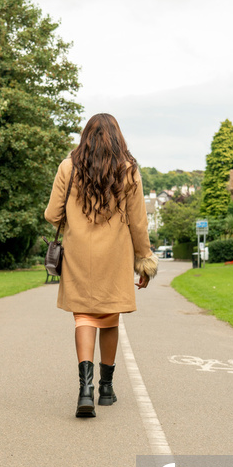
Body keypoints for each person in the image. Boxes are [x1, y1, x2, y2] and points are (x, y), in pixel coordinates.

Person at [44, 113, 158, 418]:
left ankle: (86, 390)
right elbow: (138, 221)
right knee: (109, 318)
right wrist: (144, 261)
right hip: (115, 256)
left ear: (86, 136)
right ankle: (106, 388)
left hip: (79, 254)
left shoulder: (69, 166)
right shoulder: (128, 169)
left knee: (84, 318)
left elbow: (52, 214)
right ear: (117, 137)